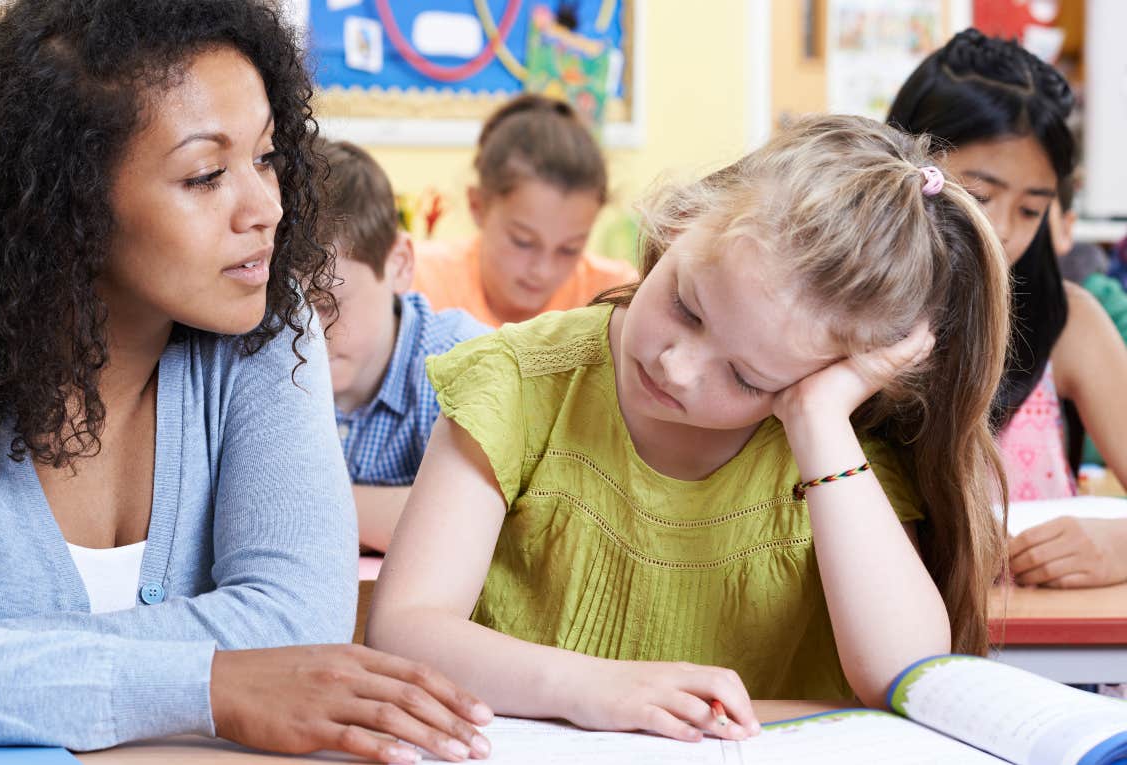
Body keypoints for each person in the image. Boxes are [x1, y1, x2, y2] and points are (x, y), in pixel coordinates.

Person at [0, 2, 493, 761]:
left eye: (269, 156)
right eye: (207, 175)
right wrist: (208, 684)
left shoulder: (270, 335)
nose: (267, 208)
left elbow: (296, 628)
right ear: (65, 204)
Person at [367, 115, 1010, 740]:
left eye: (747, 378)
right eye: (687, 306)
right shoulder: (519, 382)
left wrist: (818, 420)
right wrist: (592, 687)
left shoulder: (836, 453)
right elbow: (404, 627)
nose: (676, 368)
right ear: (681, 222)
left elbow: (904, 674)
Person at [889, 28, 1127, 589]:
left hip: (1046, 662)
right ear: (905, 167)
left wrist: (1121, 546)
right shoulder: (846, 322)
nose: (999, 232)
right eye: (981, 195)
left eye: (1030, 209)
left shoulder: (1070, 322)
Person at [313, 138, 489, 552]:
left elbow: (470, 525)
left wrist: (299, 509)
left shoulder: (463, 365)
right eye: (282, 308)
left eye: (325, 305)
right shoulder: (253, 364)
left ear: (400, 265)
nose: (304, 334)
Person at [412, 94, 637, 327]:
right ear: (477, 206)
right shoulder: (418, 285)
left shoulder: (614, 299)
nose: (543, 271)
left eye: (569, 249)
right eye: (523, 242)